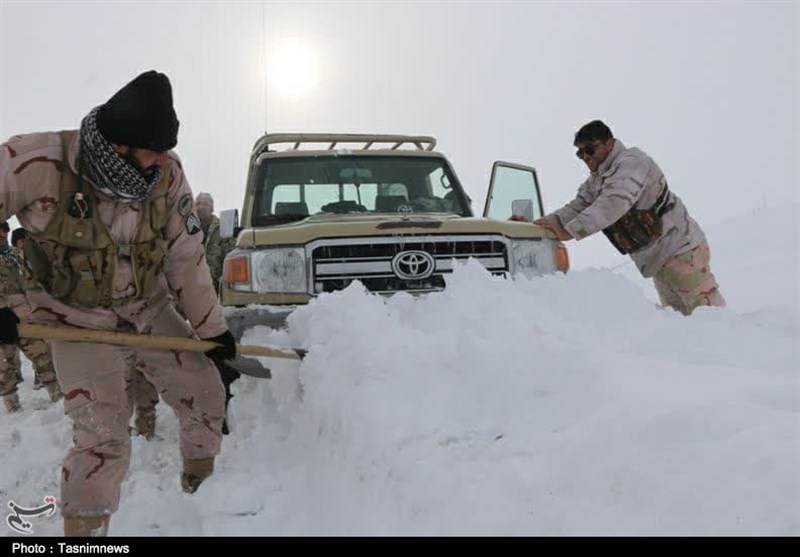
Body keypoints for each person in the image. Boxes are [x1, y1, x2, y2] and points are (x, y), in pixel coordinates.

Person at [0, 70, 236, 537]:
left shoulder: (166, 176)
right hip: (73, 318)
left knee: (206, 393)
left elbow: (187, 260)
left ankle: (202, 490)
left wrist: (214, 333)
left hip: (147, 308)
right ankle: (85, 539)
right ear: (118, 146)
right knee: (103, 438)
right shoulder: (34, 162)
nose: (165, 158)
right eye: (155, 149)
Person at [533, 120, 725, 316]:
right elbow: (576, 207)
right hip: (659, 260)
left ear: (609, 143)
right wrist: (540, 227)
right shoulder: (597, 180)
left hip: (681, 249)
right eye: (580, 153)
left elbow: (615, 202)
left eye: (590, 150)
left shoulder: (631, 162)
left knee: (710, 317)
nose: (585, 158)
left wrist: (569, 231)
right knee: (682, 323)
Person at [0, 223, 62, 411]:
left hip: (24, 315)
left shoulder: (15, 256)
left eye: (4, 230)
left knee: (43, 356)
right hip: (2, 318)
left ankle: (58, 399)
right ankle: (12, 406)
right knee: (3, 367)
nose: (2, 234)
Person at [194, 192, 239, 434]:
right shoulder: (184, 226)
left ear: (212, 207)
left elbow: (231, 256)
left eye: (206, 204)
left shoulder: (221, 229)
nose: (202, 207)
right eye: (198, 203)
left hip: (213, 297)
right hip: (186, 296)